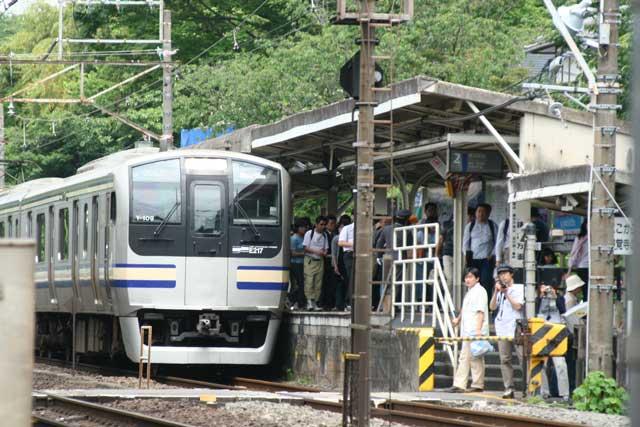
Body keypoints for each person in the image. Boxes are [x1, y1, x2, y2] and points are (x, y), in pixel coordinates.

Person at [447, 267, 489, 392]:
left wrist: (478, 330)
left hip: (475, 330)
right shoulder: (470, 292)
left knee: (475, 357)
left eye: (470, 277)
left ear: (477, 278)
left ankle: (474, 385)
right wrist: (458, 319)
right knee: (466, 357)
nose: (467, 280)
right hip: (468, 330)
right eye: (466, 277)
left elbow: (480, 311)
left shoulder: (480, 291)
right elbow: (465, 309)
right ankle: (464, 384)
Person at [490, 264, 524, 399]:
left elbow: (518, 306)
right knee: (505, 359)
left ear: (511, 274)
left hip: (516, 327)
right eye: (500, 274)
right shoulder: (499, 290)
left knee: (523, 358)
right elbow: (492, 307)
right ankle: (508, 387)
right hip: (502, 328)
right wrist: (496, 292)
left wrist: (506, 293)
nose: (503, 276)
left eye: (505, 273)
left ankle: (530, 387)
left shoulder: (519, 288)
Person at [535, 283, 570, 400]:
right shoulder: (538, 299)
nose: (547, 291)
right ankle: (544, 392)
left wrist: (555, 296)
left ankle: (564, 394)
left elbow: (563, 311)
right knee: (541, 363)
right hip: (541, 332)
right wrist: (541, 296)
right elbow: (534, 311)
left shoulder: (559, 298)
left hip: (557, 332)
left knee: (560, 364)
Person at [463, 203, 498, 297]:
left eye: (484, 212)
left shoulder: (492, 225)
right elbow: (465, 243)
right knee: (473, 282)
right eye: (479, 211)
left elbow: (497, 242)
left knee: (486, 281)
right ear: (475, 213)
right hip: (473, 259)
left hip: (487, 259)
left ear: (488, 213)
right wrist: (466, 255)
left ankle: (486, 303)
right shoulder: (470, 226)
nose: (481, 214)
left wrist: (492, 254)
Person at [303, 216, 329, 311]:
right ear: (316, 224)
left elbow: (326, 248)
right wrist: (316, 251)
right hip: (310, 260)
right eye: (321, 224)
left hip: (320, 261)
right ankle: (309, 301)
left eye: (324, 225)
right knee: (309, 281)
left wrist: (324, 253)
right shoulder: (309, 233)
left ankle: (315, 302)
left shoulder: (325, 235)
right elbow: (305, 248)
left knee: (318, 283)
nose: (323, 226)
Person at [320, 214, 338, 310]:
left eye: (334, 223)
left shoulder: (336, 234)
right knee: (325, 283)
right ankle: (324, 303)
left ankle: (330, 303)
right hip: (325, 261)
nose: (333, 225)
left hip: (333, 261)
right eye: (331, 223)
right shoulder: (323, 234)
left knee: (332, 283)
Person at [334, 215, 352, 311]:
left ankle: (344, 303)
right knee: (343, 283)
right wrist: (335, 265)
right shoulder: (337, 238)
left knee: (347, 281)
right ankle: (342, 303)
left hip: (344, 260)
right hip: (341, 261)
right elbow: (334, 253)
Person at [289, 220, 307, 310]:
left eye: (305, 227)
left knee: (303, 283)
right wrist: (304, 254)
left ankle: (300, 302)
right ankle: (295, 301)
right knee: (299, 283)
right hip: (295, 264)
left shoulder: (305, 237)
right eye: (302, 227)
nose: (304, 229)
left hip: (304, 263)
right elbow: (292, 253)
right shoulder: (294, 238)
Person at [338, 216, 355, 311]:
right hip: (350, 254)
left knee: (360, 279)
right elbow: (340, 243)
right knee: (352, 277)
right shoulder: (347, 228)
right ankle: (349, 302)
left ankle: (353, 301)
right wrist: (354, 244)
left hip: (362, 254)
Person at [569, 221, 589, 286]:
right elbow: (574, 253)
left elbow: (574, 253)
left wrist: (570, 268)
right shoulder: (580, 238)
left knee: (585, 288)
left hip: (583, 266)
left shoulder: (580, 238)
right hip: (586, 266)